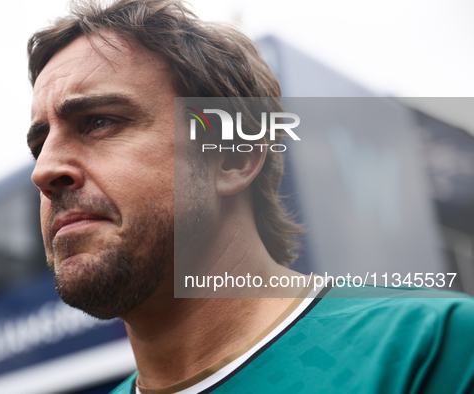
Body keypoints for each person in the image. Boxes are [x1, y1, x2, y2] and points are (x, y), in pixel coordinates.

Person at [26, 0, 474, 393]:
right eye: (38, 144)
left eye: (99, 122)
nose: (44, 171)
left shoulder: (435, 346)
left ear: (233, 159)